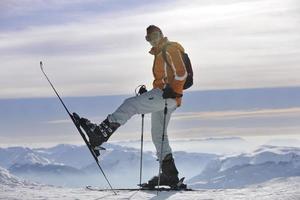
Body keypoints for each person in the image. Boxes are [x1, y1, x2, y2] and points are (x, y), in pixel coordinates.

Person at [77, 25, 188, 188]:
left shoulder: (170, 49)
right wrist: (152, 92)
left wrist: (172, 89)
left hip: (167, 95)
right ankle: (170, 176)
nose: (153, 40)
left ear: (162, 35)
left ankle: (99, 135)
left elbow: (182, 72)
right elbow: (168, 77)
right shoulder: (160, 53)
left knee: (129, 105)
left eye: (155, 36)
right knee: (159, 135)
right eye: (149, 38)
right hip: (168, 97)